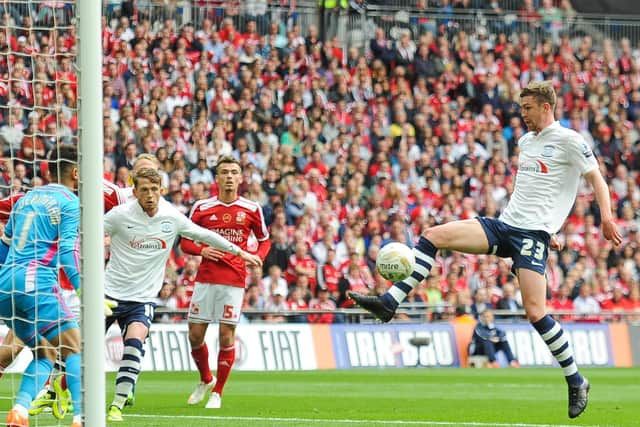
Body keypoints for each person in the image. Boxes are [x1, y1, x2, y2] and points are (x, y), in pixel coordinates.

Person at [350, 81, 623, 419]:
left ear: (545, 107)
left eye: (527, 108)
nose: (521, 115)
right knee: (434, 235)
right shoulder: (526, 142)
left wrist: (603, 218)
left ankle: (576, 379)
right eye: (521, 108)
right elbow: (539, 190)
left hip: (531, 237)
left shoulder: (570, 140)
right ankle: (389, 302)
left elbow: (596, 179)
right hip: (505, 225)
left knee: (536, 312)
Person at [104, 167, 263, 422]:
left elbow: (204, 235)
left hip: (142, 299)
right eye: (144, 190)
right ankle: (56, 392)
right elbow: (85, 234)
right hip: (108, 293)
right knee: (80, 348)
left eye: (154, 190)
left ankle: (117, 405)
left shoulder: (171, 216)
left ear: (162, 191)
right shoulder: (118, 215)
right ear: (134, 192)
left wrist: (241, 252)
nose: (150, 195)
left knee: (134, 344)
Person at [0, 145, 83, 427]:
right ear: (76, 172)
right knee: (74, 346)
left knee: (45, 352)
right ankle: (82, 418)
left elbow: (4, 245)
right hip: (36, 281)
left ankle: (19, 413)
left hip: (5, 283)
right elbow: (68, 254)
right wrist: (83, 289)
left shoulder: (25, 198)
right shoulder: (70, 202)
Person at [180, 155, 271, 409]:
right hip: (206, 278)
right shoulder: (202, 207)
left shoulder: (252, 209)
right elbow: (185, 240)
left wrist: (259, 257)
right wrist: (202, 251)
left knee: (226, 335)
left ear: (240, 178)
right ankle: (205, 379)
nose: (229, 176)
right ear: (217, 178)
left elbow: (265, 240)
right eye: (225, 172)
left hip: (234, 279)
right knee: (195, 336)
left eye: (234, 172)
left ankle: (217, 392)